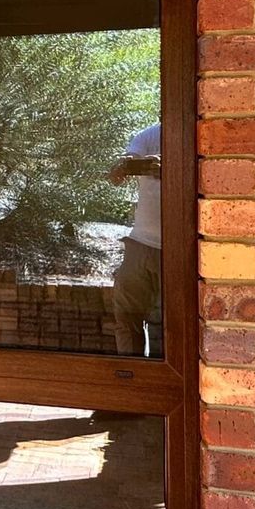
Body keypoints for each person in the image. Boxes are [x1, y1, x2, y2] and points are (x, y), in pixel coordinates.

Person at [108, 121, 162, 357]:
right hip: (140, 243)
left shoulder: (199, 133)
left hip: (179, 250)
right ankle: (132, 376)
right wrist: (125, 166)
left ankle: (166, 384)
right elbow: (121, 168)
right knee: (127, 319)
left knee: (170, 324)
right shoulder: (149, 134)